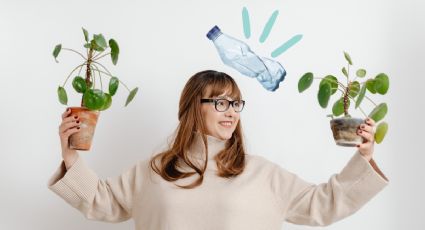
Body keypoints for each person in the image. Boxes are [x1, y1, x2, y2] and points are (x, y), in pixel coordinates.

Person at [48, 70, 388, 230]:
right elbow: (100, 202)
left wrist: (364, 157)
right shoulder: (154, 171)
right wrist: (71, 155)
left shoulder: (262, 174)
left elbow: (324, 204)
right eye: (221, 102)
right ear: (195, 106)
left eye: (237, 103)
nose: (232, 112)